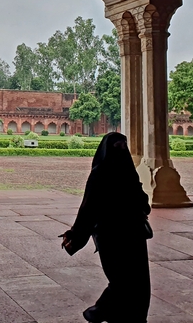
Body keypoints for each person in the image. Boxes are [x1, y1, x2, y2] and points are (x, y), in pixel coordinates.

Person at [60, 132, 152, 323]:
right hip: (131, 235)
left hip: (111, 236)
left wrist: (75, 236)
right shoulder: (128, 173)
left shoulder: (100, 174)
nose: (121, 150)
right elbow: (144, 204)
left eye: (122, 146)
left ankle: (104, 313)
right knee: (132, 281)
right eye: (118, 146)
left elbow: (88, 209)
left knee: (124, 281)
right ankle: (113, 314)